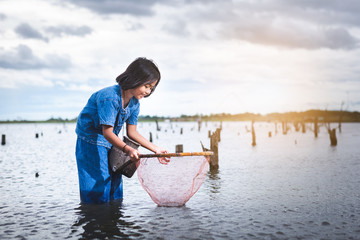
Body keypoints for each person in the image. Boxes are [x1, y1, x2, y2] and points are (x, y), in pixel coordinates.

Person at [75, 57, 168, 204]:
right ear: (135, 78)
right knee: (98, 182)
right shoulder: (110, 97)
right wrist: (128, 150)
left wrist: (155, 149)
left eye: (152, 88)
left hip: (111, 140)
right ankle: (94, 217)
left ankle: (113, 218)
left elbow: (132, 133)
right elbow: (107, 132)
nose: (148, 91)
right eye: (147, 86)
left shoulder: (135, 103)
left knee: (115, 181)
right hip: (90, 140)